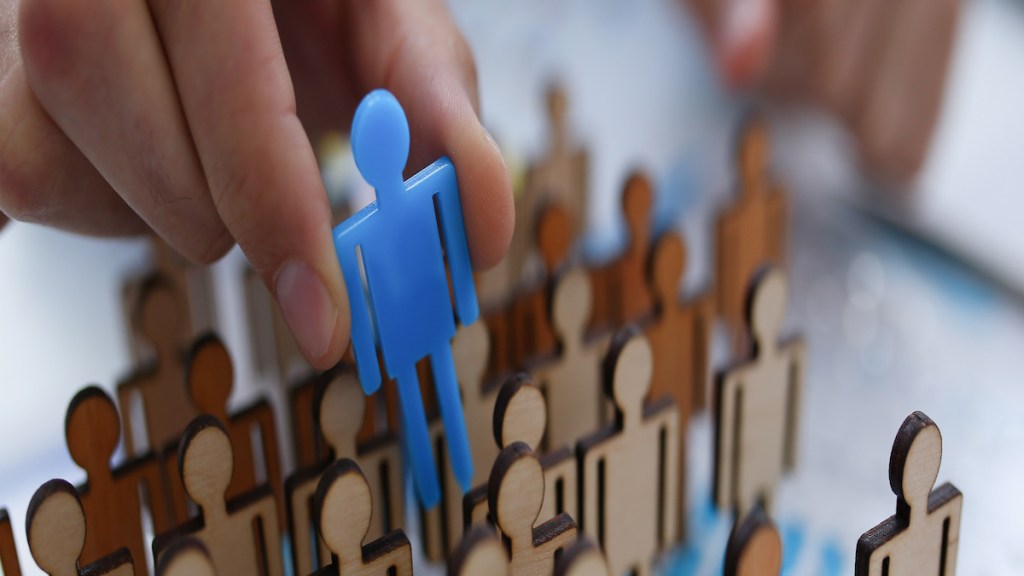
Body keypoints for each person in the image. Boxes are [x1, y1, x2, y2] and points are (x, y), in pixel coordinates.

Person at [0, 0, 959, 370]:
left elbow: (455, 258)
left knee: (449, 437)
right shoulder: (389, 207)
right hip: (95, 294)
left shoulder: (409, 197)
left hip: (447, 334)